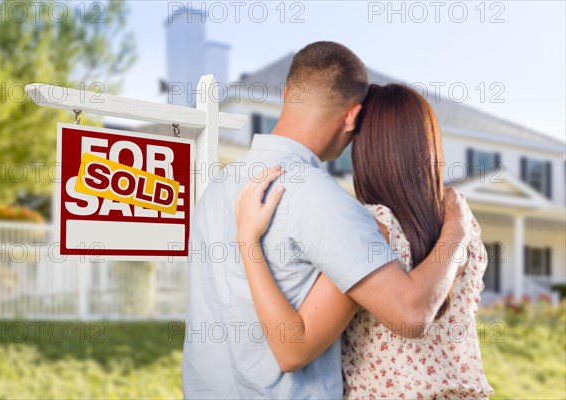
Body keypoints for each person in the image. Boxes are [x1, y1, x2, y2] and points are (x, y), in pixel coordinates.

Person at [183, 41, 472, 399]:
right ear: (352, 117)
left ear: (288, 92)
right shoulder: (324, 201)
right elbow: (409, 316)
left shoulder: (218, 188)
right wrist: (458, 228)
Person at [235, 83, 493, 399]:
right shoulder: (463, 224)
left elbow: (293, 347)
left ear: (367, 149)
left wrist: (247, 240)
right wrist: (456, 231)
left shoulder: (373, 226)